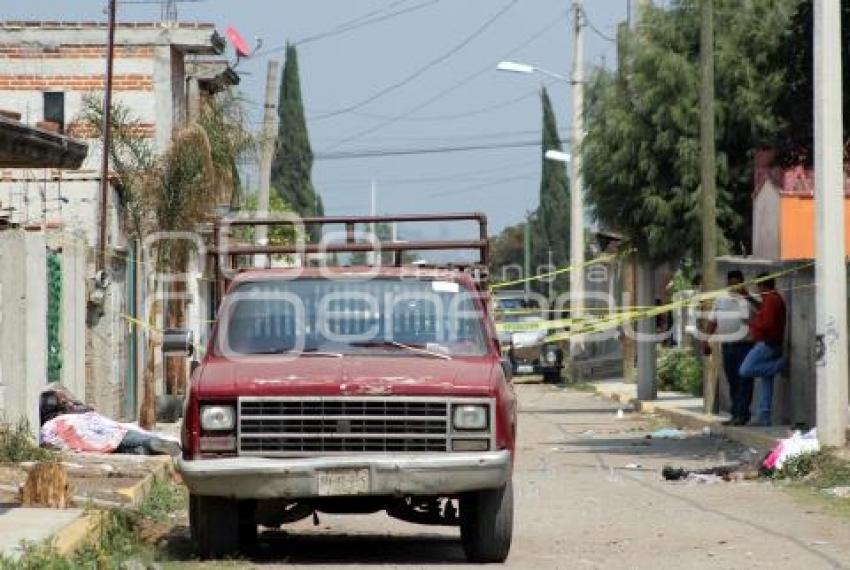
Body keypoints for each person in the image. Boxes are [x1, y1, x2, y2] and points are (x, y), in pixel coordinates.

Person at [39, 385, 180, 455]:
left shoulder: (49, 427)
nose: (69, 402)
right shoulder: (67, 417)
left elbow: (50, 442)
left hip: (94, 442)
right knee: (126, 435)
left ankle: (146, 449)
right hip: (105, 430)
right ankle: (151, 443)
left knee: (120, 447)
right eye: (64, 400)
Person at [705, 270, 753, 426]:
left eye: (737, 283)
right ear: (727, 284)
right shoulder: (720, 299)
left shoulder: (750, 299)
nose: (734, 287)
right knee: (732, 381)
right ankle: (735, 414)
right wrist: (706, 341)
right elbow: (712, 321)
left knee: (744, 380)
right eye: (731, 283)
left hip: (745, 345)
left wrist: (747, 296)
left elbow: (760, 312)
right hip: (727, 346)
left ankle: (742, 414)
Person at [738, 274, 787, 426]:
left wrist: (751, 324)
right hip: (771, 342)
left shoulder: (772, 299)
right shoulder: (772, 298)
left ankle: (780, 365)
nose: (757, 291)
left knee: (745, 370)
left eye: (758, 288)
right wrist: (747, 297)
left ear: (763, 286)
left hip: (767, 343)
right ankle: (764, 416)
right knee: (766, 378)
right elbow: (762, 309)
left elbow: (767, 323)